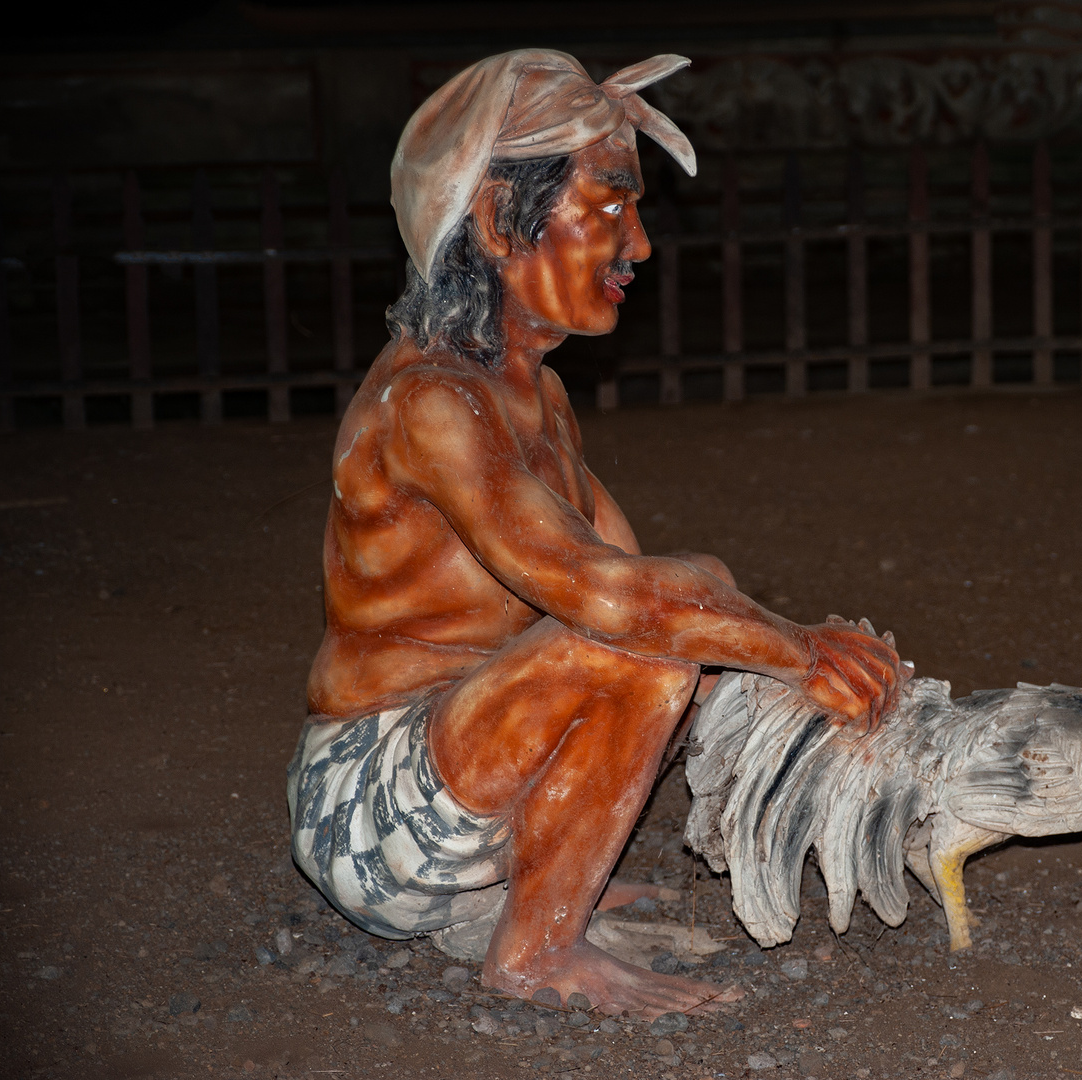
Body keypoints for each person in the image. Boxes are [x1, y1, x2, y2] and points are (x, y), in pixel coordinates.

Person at [286, 49, 901, 1017]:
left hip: (470, 767)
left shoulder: (541, 397)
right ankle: (535, 950)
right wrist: (797, 651)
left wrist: (778, 643)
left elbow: (650, 578)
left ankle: (537, 882)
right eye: (611, 206)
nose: (640, 247)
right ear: (496, 219)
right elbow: (611, 603)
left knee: (690, 587)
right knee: (634, 648)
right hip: (371, 811)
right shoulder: (432, 402)